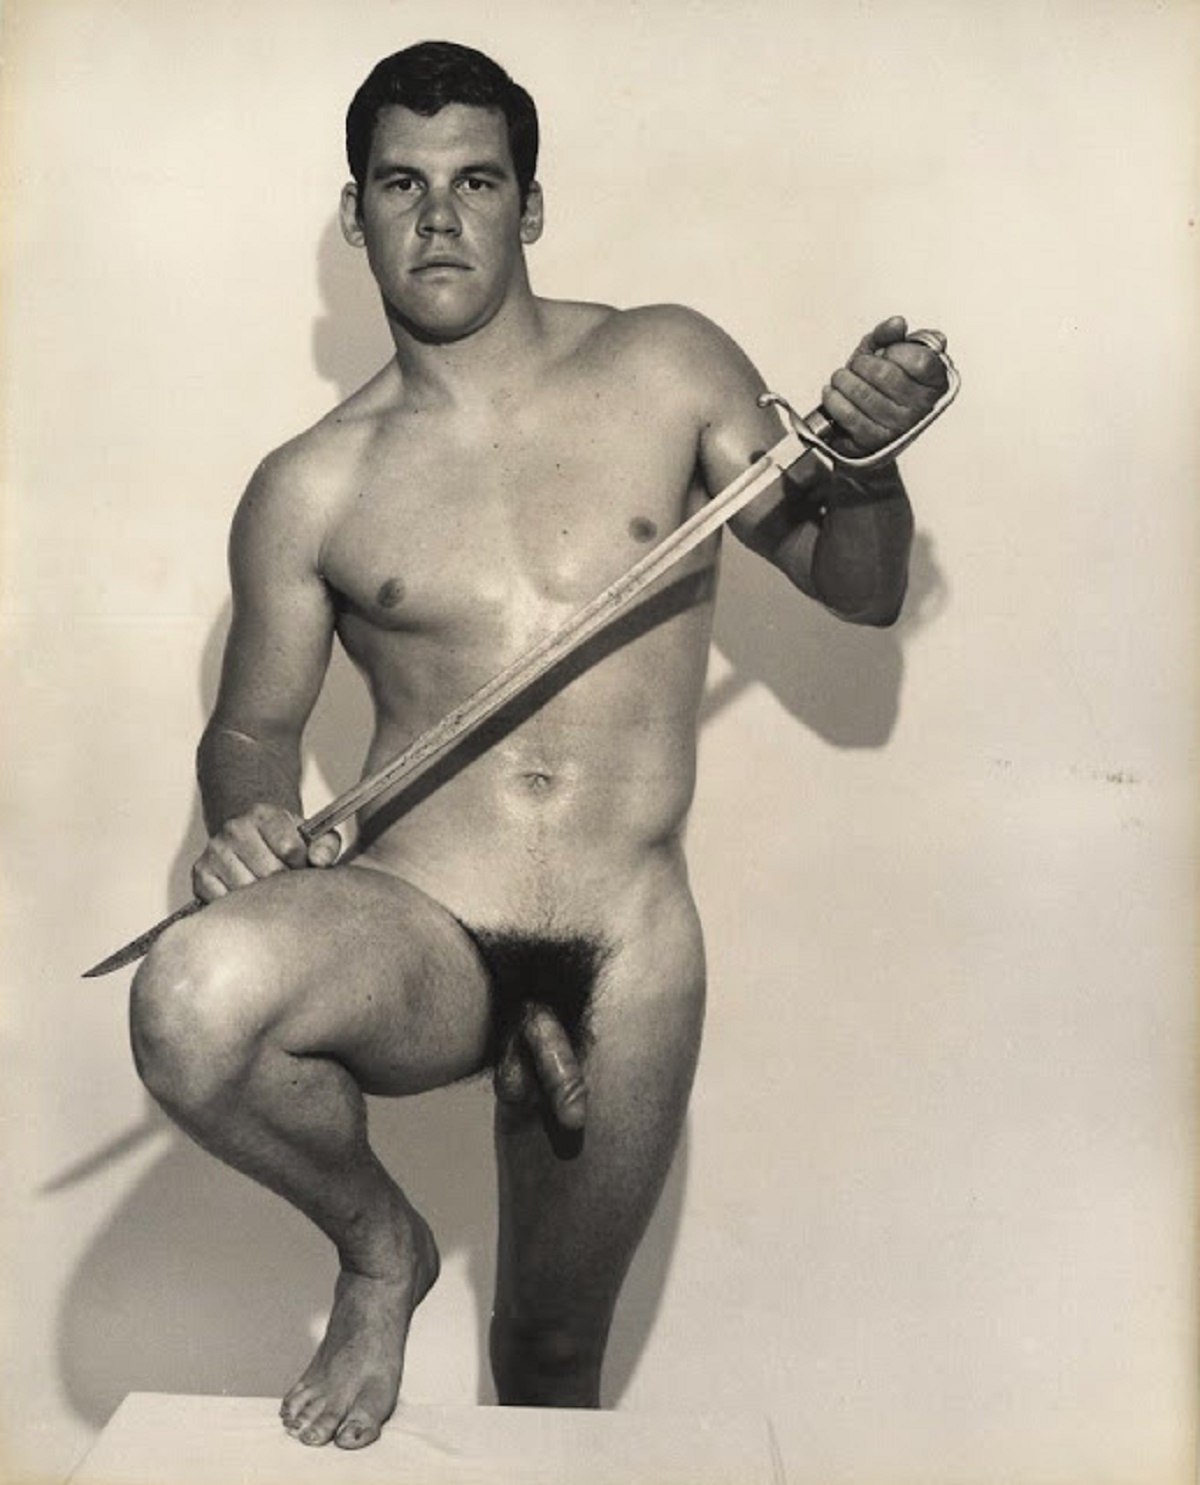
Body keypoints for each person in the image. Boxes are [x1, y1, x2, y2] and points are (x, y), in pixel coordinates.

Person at [128, 39, 949, 1452]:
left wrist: (866, 472)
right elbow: (251, 730)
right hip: (426, 925)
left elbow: (860, 591)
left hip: (625, 935)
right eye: (403, 184)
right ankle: (380, 1252)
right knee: (192, 1001)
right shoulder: (308, 484)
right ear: (356, 216)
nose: (440, 217)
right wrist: (246, 815)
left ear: (532, 204)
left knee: (553, 1353)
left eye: (477, 181)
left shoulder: (667, 362)